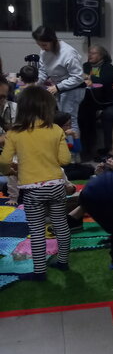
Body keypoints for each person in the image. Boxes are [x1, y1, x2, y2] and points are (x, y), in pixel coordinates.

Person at [0, 85, 71, 280]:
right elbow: (65, 160)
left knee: (37, 230)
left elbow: (4, 161)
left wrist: (9, 171)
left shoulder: (14, 133)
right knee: (61, 225)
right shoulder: (56, 129)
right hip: (56, 186)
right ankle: (63, 261)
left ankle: (39, 271)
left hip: (32, 190)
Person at [32, 25, 85, 138]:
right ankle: (63, 145)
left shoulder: (68, 52)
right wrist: (36, 83)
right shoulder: (44, 52)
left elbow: (78, 77)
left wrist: (57, 87)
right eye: (39, 45)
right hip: (59, 88)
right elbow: (43, 70)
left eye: (44, 45)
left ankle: (74, 147)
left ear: (53, 40)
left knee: (69, 121)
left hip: (74, 88)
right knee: (61, 121)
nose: (42, 48)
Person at [77, 45, 113, 158]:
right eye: (89, 53)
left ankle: (91, 148)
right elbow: (80, 78)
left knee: (86, 112)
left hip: (104, 99)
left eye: (93, 53)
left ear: (101, 55)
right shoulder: (86, 66)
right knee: (82, 110)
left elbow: (105, 81)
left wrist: (89, 78)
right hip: (88, 97)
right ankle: (84, 147)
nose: (90, 55)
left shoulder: (108, 67)